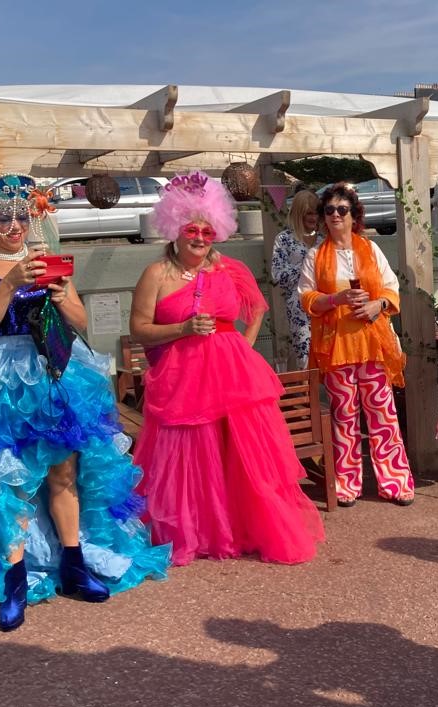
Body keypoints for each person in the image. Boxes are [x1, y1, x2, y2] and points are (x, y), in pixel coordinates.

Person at [0, 173, 170, 631]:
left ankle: (74, 565)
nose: (14, 224)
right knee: (10, 482)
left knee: (65, 472)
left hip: (55, 371)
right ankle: (14, 581)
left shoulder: (46, 260)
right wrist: (9, 285)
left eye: (22, 214)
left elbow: (78, 322)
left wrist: (59, 294)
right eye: (3, 216)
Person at [131, 171, 324, 566]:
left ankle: (240, 526)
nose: (199, 238)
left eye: (206, 230)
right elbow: (139, 329)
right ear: (174, 229)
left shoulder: (228, 269)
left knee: (240, 452)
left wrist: (243, 346)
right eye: (191, 229)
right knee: (191, 453)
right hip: (182, 376)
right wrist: (182, 328)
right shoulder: (156, 274)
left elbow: (257, 308)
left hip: (232, 375)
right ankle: (198, 530)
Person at [298, 182, 414, 507]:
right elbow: (305, 297)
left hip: (373, 345)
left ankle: (395, 482)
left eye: (342, 210)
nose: (336, 215)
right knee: (344, 417)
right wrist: (336, 299)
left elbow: (391, 288)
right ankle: (348, 485)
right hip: (336, 349)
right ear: (323, 217)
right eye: (330, 210)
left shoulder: (370, 249)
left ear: (353, 215)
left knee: (383, 415)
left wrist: (377, 306)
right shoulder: (315, 256)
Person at [271, 189, 319, 369]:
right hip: (299, 307)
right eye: (308, 213)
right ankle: (307, 394)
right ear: (299, 213)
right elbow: (277, 275)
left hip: (328, 303)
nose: (313, 217)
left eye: (316, 212)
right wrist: (307, 266)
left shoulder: (326, 238)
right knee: (304, 356)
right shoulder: (284, 239)